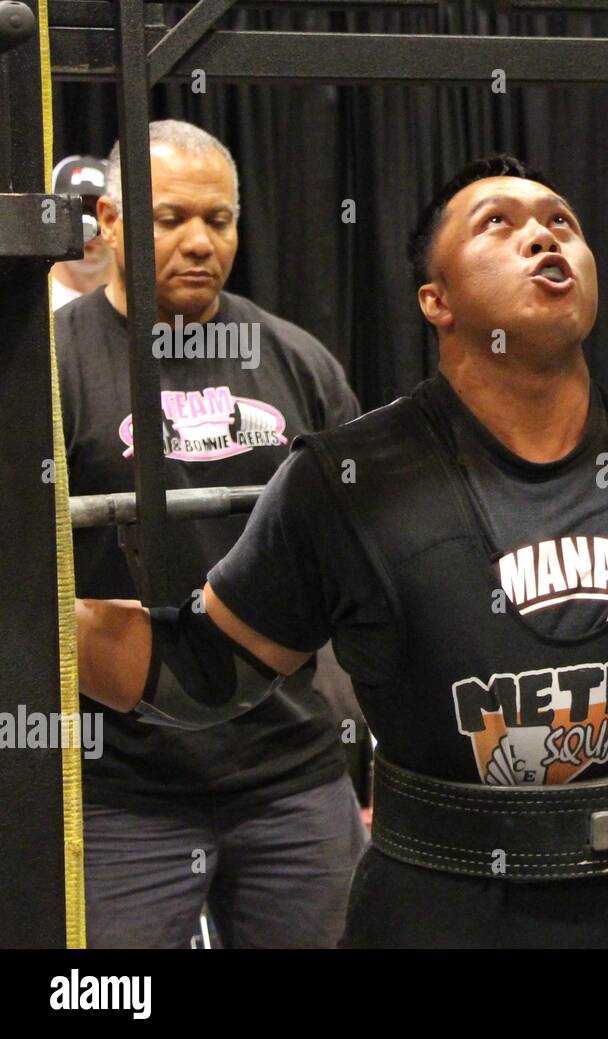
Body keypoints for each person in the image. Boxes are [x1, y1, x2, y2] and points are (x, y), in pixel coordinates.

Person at [72, 153, 608, 948]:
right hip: (441, 913)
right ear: (436, 301)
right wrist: (32, 609)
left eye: (560, 220)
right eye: (498, 222)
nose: (541, 233)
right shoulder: (350, 478)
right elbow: (202, 669)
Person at [57, 120, 367, 948]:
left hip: (293, 778)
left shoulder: (298, 362)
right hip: (120, 790)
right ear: (111, 222)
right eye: (169, 219)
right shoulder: (50, 366)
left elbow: (366, 552)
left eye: (219, 220)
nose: (199, 242)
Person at [50, 155, 113, 310]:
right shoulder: (30, 299)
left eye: (99, 211)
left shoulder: (137, 298)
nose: (88, 224)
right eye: (74, 210)